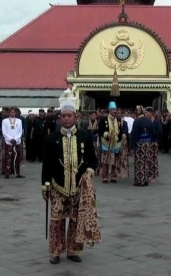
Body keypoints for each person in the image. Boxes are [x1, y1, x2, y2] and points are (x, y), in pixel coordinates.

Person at [42, 101, 99, 265]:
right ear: (60, 118)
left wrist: (89, 171)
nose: (66, 119)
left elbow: (92, 160)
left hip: (78, 187)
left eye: (69, 116)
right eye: (63, 116)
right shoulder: (51, 139)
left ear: (75, 117)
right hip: (58, 186)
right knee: (56, 221)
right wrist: (45, 184)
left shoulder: (84, 137)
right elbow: (46, 164)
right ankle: (56, 250)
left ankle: (73, 250)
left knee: (75, 220)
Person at [130, 106, 155, 186]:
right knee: (146, 161)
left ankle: (139, 180)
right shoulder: (148, 121)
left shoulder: (137, 121)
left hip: (139, 143)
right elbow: (152, 131)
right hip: (147, 143)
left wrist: (132, 146)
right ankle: (145, 179)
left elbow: (134, 134)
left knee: (139, 162)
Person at [98, 102, 122, 184]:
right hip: (106, 143)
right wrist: (107, 134)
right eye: (112, 109)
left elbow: (121, 131)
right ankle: (104, 177)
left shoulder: (118, 120)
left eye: (115, 109)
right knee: (105, 160)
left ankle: (113, 176)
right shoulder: (103, 120)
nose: (114, 111)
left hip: (115, 143)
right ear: (109, 110)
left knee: (114, 161)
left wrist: (118, 138)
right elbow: (100, 131)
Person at [2, 107, 24, 178]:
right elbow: (4, 132)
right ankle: (7, 173)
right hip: (8, 142)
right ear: (9, 113)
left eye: (14, 112)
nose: (12, 113)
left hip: (17, 141)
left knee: (17, 157)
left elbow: (20, 131)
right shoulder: (5, 121)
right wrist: (10, 139)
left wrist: (15, 139)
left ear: (15, 113)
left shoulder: (19, 121)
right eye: (11, 112)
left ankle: (17, 173)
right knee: (8, 157)